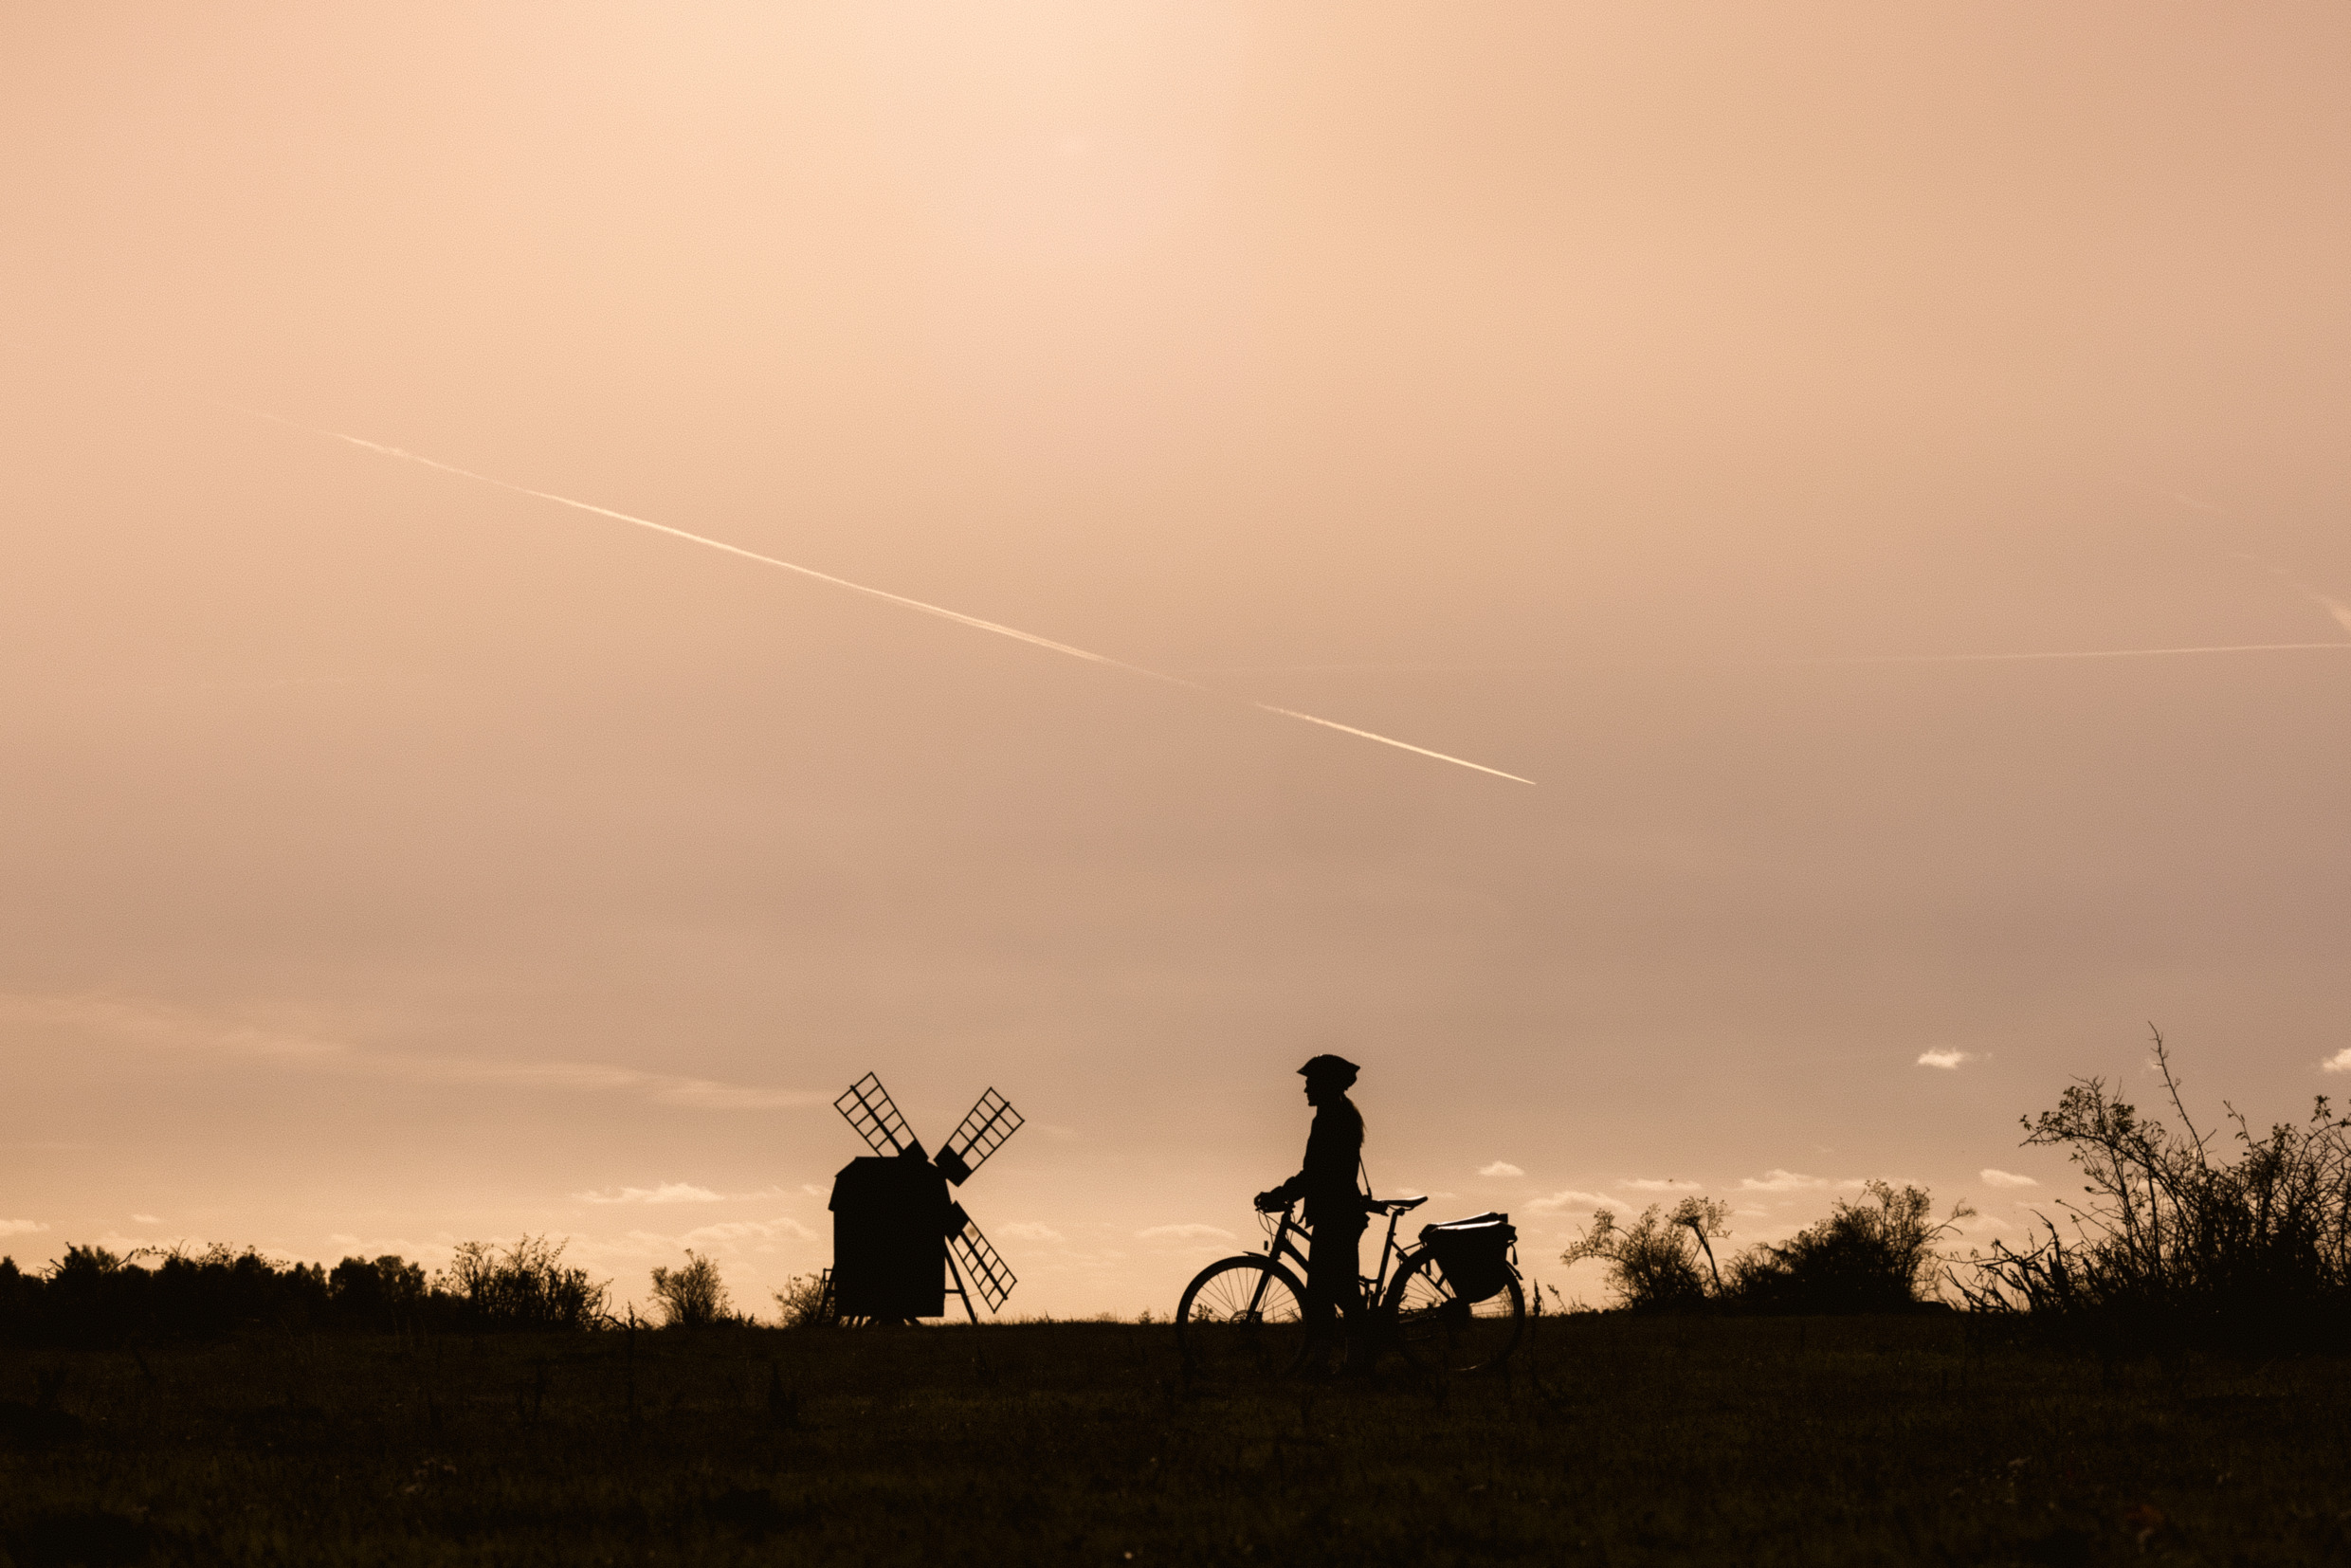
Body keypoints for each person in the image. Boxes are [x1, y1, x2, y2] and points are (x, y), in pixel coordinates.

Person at [1254, 1053, 1369, 1373]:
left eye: (1310, 1082)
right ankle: (1336, 1361)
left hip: (1337, 1214)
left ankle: (1338, 1363)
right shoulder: (1337, 1115)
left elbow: (1317, 1172)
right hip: (1338, 1212)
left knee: (1332, 1292)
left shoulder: (1331, 1118)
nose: (1305, 1088)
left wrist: (1281, 1194)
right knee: (1330, 1291)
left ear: (1325, 1085)